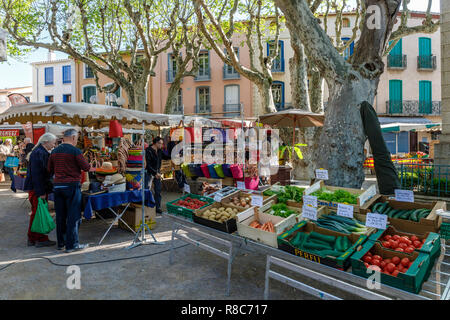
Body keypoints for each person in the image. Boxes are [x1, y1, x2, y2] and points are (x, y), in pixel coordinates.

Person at [48, 129, 91, 253]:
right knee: (73, 216)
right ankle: (72, 245)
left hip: (58, 187)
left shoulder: (54, 151)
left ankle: (61, 243)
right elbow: (86, 167)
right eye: (76, 137)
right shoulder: (75, 151)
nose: (77, 140)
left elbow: (49, 169)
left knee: (60, 216)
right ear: (72, 137)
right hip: (71, 186)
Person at [24, 133, 57, 247]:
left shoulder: (38, 152)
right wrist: (41, 192)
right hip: (38, 189)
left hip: (37, 188)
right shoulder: (39, 153)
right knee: (39, 213)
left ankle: (33, 238)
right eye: (53, 142)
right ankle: (40, 239)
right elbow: (37, 175)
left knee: (37, 213)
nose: (54, 145)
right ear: (46, 142)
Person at [145, 136, 169, 214]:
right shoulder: (148, 150)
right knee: (146, 189)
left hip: (157, 173)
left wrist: (175, 156)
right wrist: (154, 173)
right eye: (160, 144)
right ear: (156, 143)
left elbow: (165, 157)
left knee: (158, 191)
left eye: (162, 144)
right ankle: (146, 206)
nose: (161, 145)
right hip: (149, 172)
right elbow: (147, 165)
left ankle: (157, 207)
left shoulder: (159, 151)